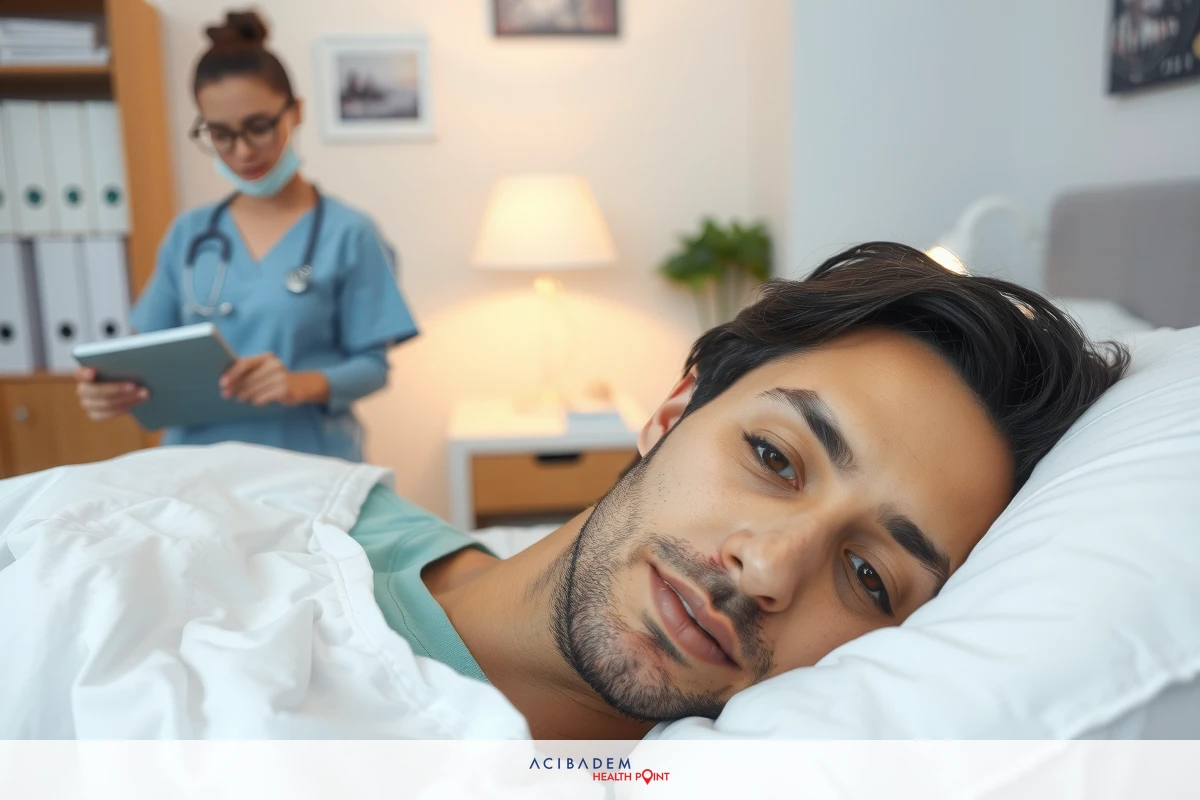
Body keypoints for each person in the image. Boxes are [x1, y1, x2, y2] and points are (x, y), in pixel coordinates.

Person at [41, 242, 1127, 739]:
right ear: (673, 406)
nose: (765, 566)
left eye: (866, 574)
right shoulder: (265, 502)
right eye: (776, 456)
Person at [74, 10, 417, 462]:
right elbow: (145, 356)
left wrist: (299, 384)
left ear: (295, 112)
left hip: (311, 466)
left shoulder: (349, 233)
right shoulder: (190, 234)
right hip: (194, 467)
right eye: (220, 133)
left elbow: (373, 370)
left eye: (258, 126)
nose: (242, 150)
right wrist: (111, 391)